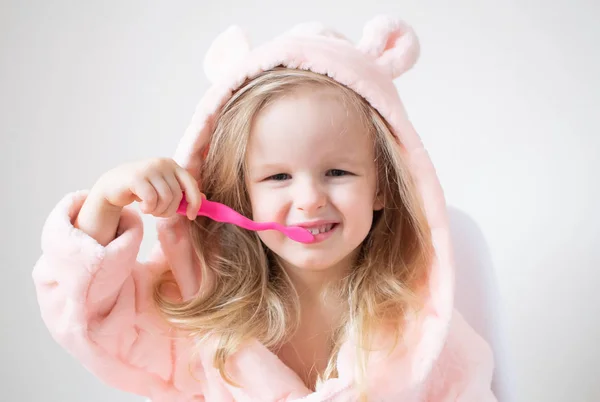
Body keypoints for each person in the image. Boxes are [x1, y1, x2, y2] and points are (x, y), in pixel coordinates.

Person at [33, 15, 496, 401]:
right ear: (240, 195)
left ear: (381, 187)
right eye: (278, 177)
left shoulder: (424, 335)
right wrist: (105, 201)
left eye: (337, 172)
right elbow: (90, 317)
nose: (310, 198)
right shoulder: (196, 311)